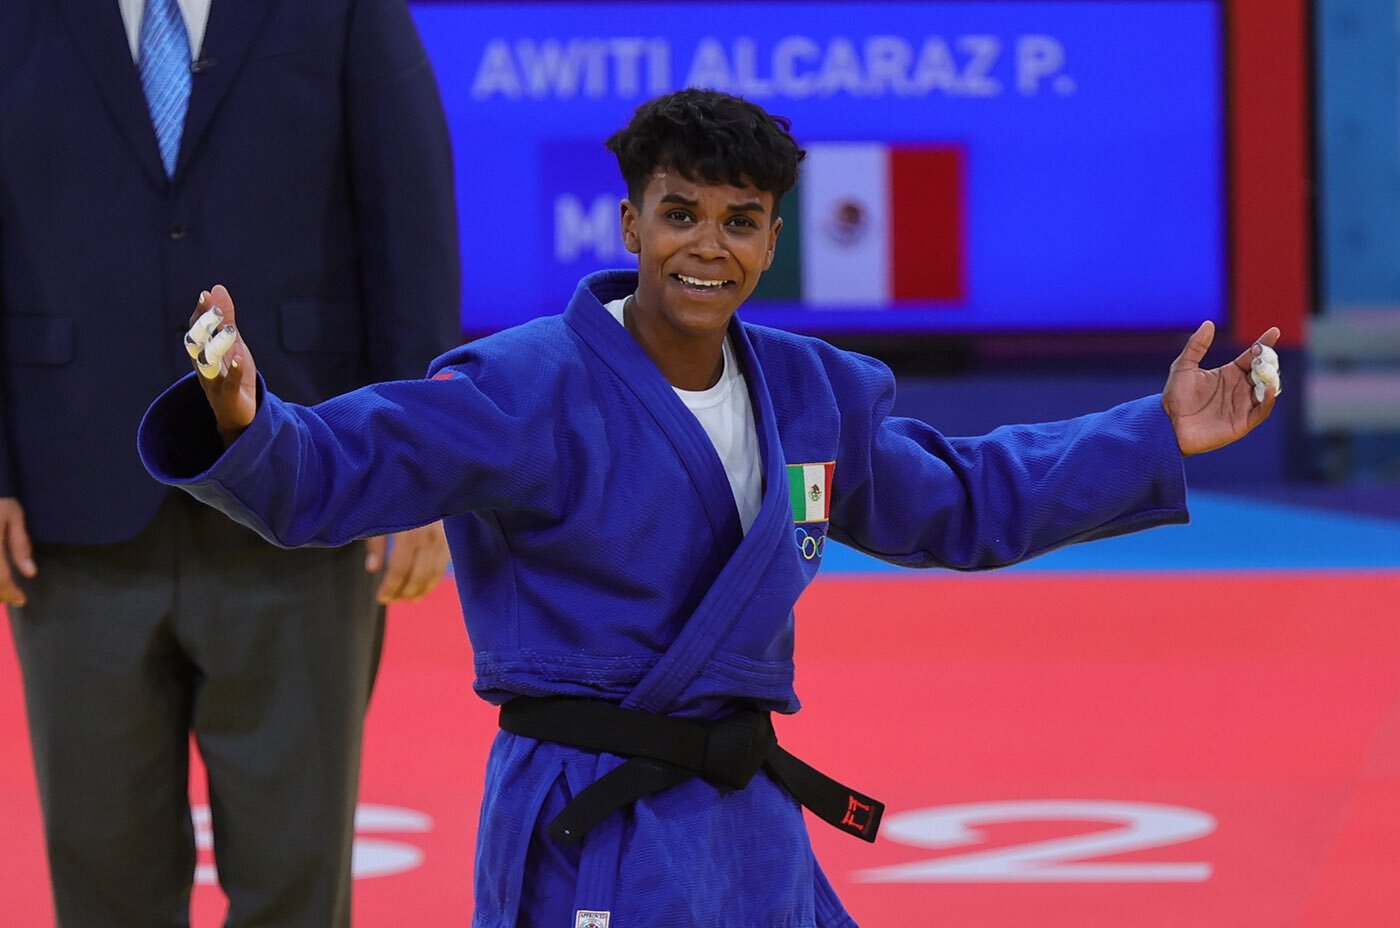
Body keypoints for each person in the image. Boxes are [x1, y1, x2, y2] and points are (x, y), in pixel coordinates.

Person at [138, 89, 1278, 927]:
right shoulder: (523, 386)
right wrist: (247, 416)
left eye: (739, 221)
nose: (707, 246)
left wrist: (1152, 433)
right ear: (627, 224)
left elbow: (967, 499)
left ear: (775, 241)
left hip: (743, 825)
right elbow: (335, 470)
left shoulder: (812, 393)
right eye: (679, 213)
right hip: (586, 818)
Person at [0, 0, 459, 924]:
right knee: (102, 889)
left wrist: (420, 470)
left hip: (303, 494)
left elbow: (410, 220)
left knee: (297, 881)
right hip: (66, 508)